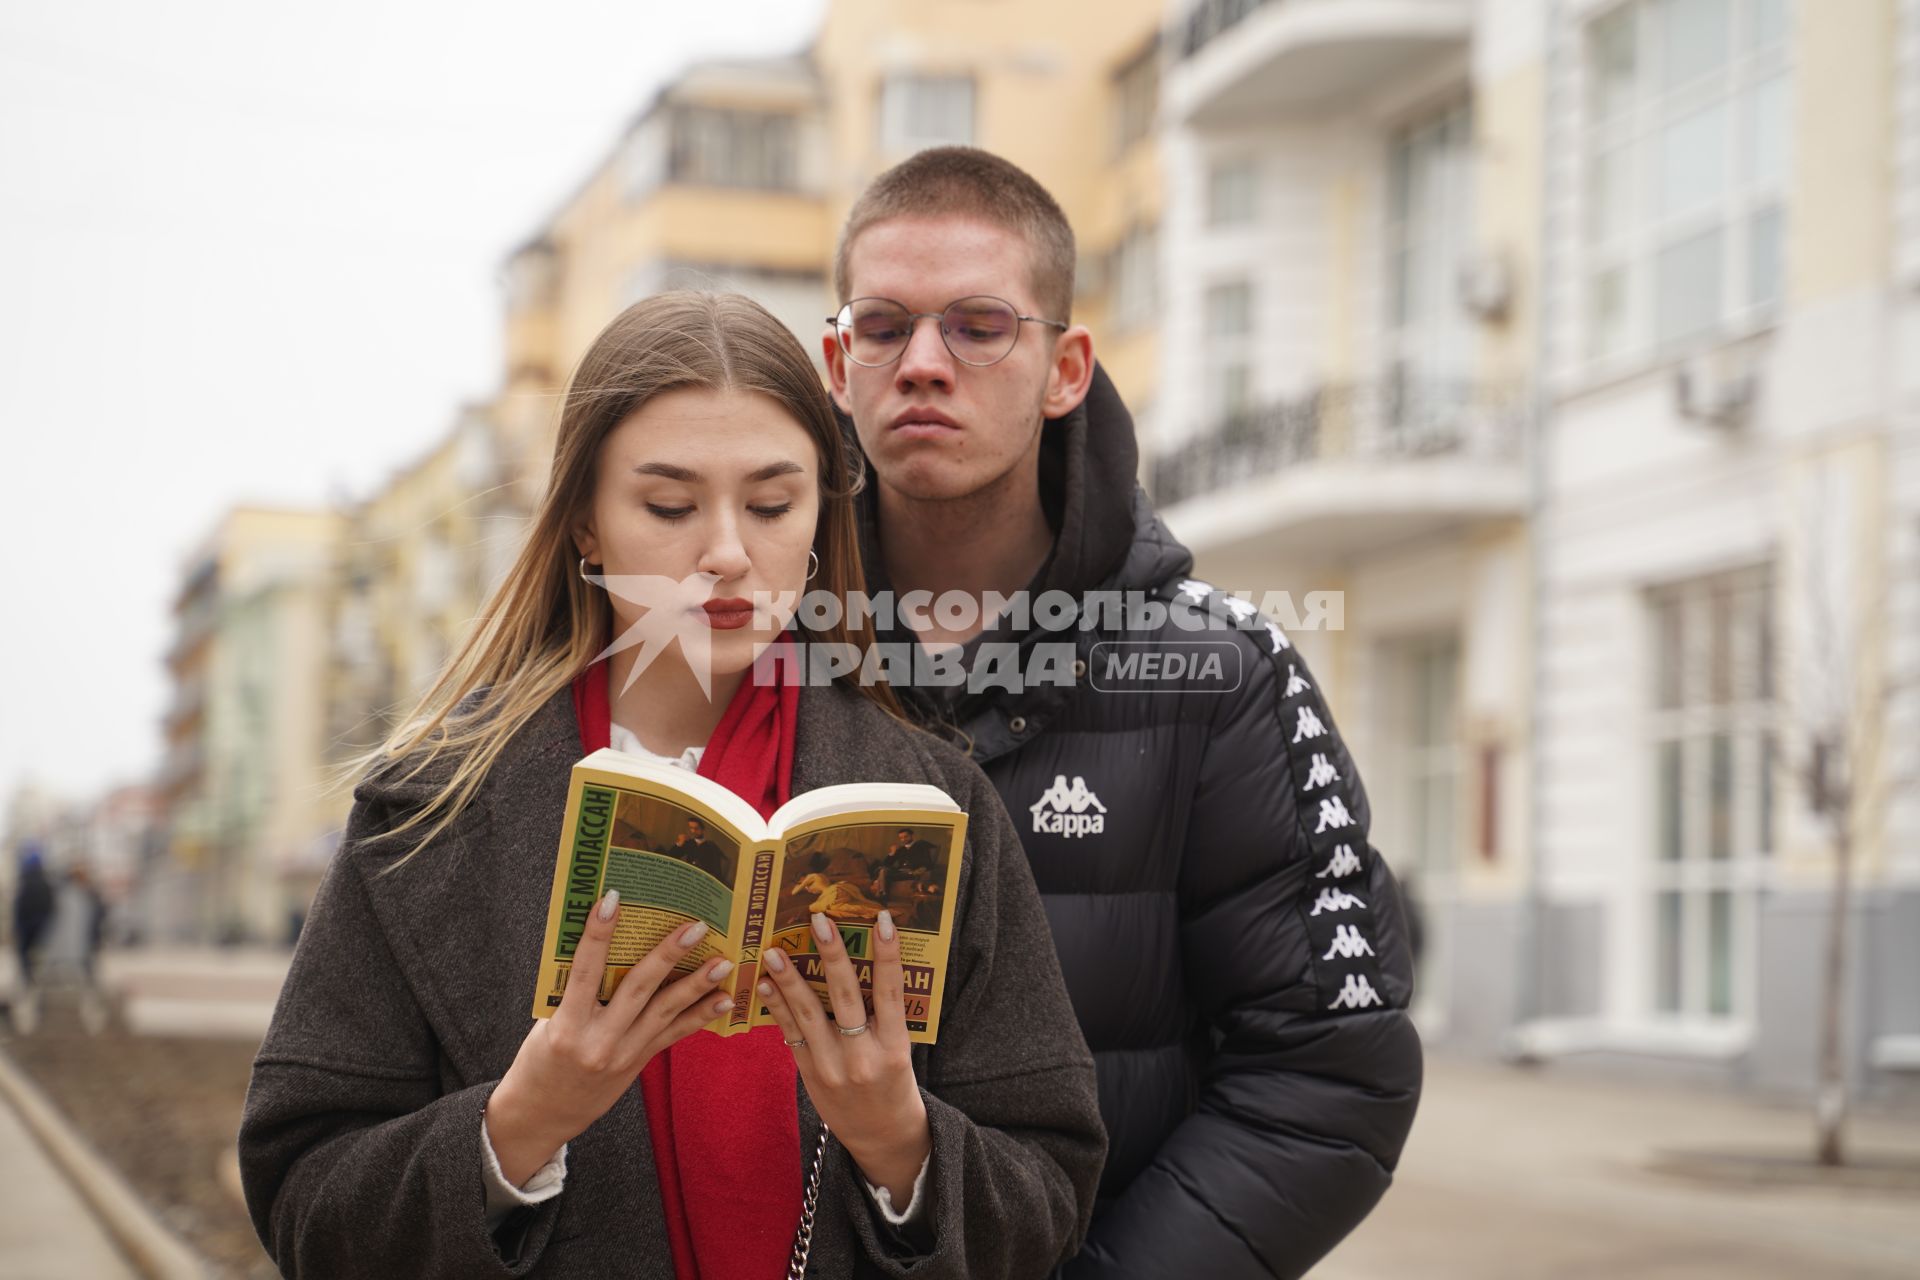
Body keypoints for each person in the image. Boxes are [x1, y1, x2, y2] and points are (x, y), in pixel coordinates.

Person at [238, 291, 1105, 1280]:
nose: (728, 552)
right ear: (585, 526)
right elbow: (301, 1193)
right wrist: (522, 1121)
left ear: (823, 512)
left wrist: (901, 1140)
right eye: (668, 505)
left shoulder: (937, 805)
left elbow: (1050, 1186)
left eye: (774, 503)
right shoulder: (429, 810)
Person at [822, 147, 1423, 1278]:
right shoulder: (749, 649)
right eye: (885, 325)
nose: (924, 364)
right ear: (835, 360)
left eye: (980, 324)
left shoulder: (1225, 673)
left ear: (1067, 367)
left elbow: (1332, 1078)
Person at [10, 851, 54, 988]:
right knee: (40, 957)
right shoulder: (45, 883)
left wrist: (17, 928)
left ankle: (28, 980)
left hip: (27, 928)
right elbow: (51, 907)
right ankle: (38, 980)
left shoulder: (24, 883)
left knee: (26, 957)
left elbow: (19, 908)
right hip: (42, 928)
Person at [669, 818, 730, 883]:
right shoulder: (689, 843)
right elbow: (671, 856)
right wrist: (680, 843)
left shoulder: (711, 846)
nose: (693, 831)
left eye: (696, 828)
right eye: (691, 828)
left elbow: (717, 870)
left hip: (703, 881)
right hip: (687, 878)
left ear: (703, 829)